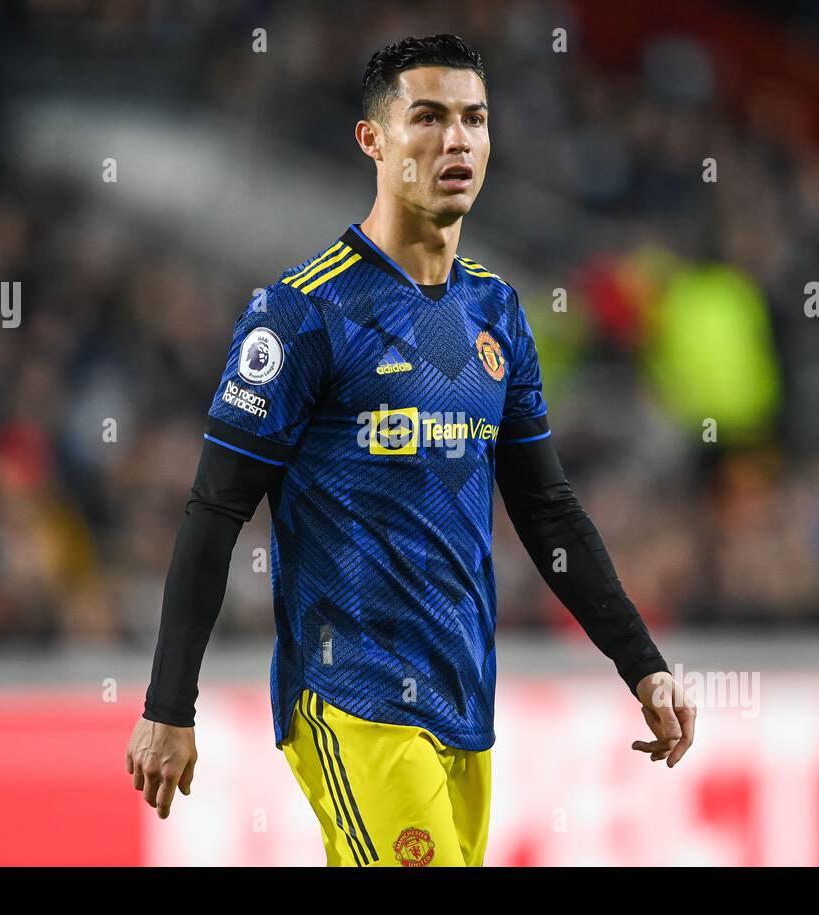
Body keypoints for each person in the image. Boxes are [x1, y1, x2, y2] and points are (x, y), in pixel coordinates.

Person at [126, 33, 695, 866]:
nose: (455, 141)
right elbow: (216, 506)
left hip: (464, 700)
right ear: (374, 139)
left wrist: (641, 664)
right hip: (352, 696)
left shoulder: (496, 314)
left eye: (474, 119)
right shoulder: (304, 312)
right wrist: (170, 704)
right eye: (426, 118)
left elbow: (545, 507)